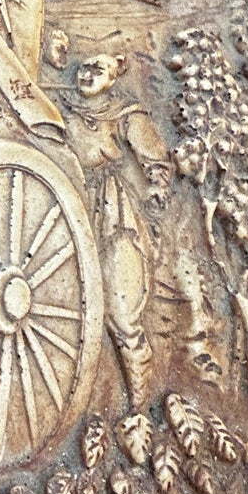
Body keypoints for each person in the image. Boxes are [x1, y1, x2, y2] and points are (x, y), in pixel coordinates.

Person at [60, 51, 171, 408]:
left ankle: (137, 404)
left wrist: (157, 183)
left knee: (120, 308)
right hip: (62, 204)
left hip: (109, 209)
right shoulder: (58, 109)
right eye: (84, 66)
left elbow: (154, 158)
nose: (87, 72)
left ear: (113, 79)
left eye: (98, 68)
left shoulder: (125, 114)